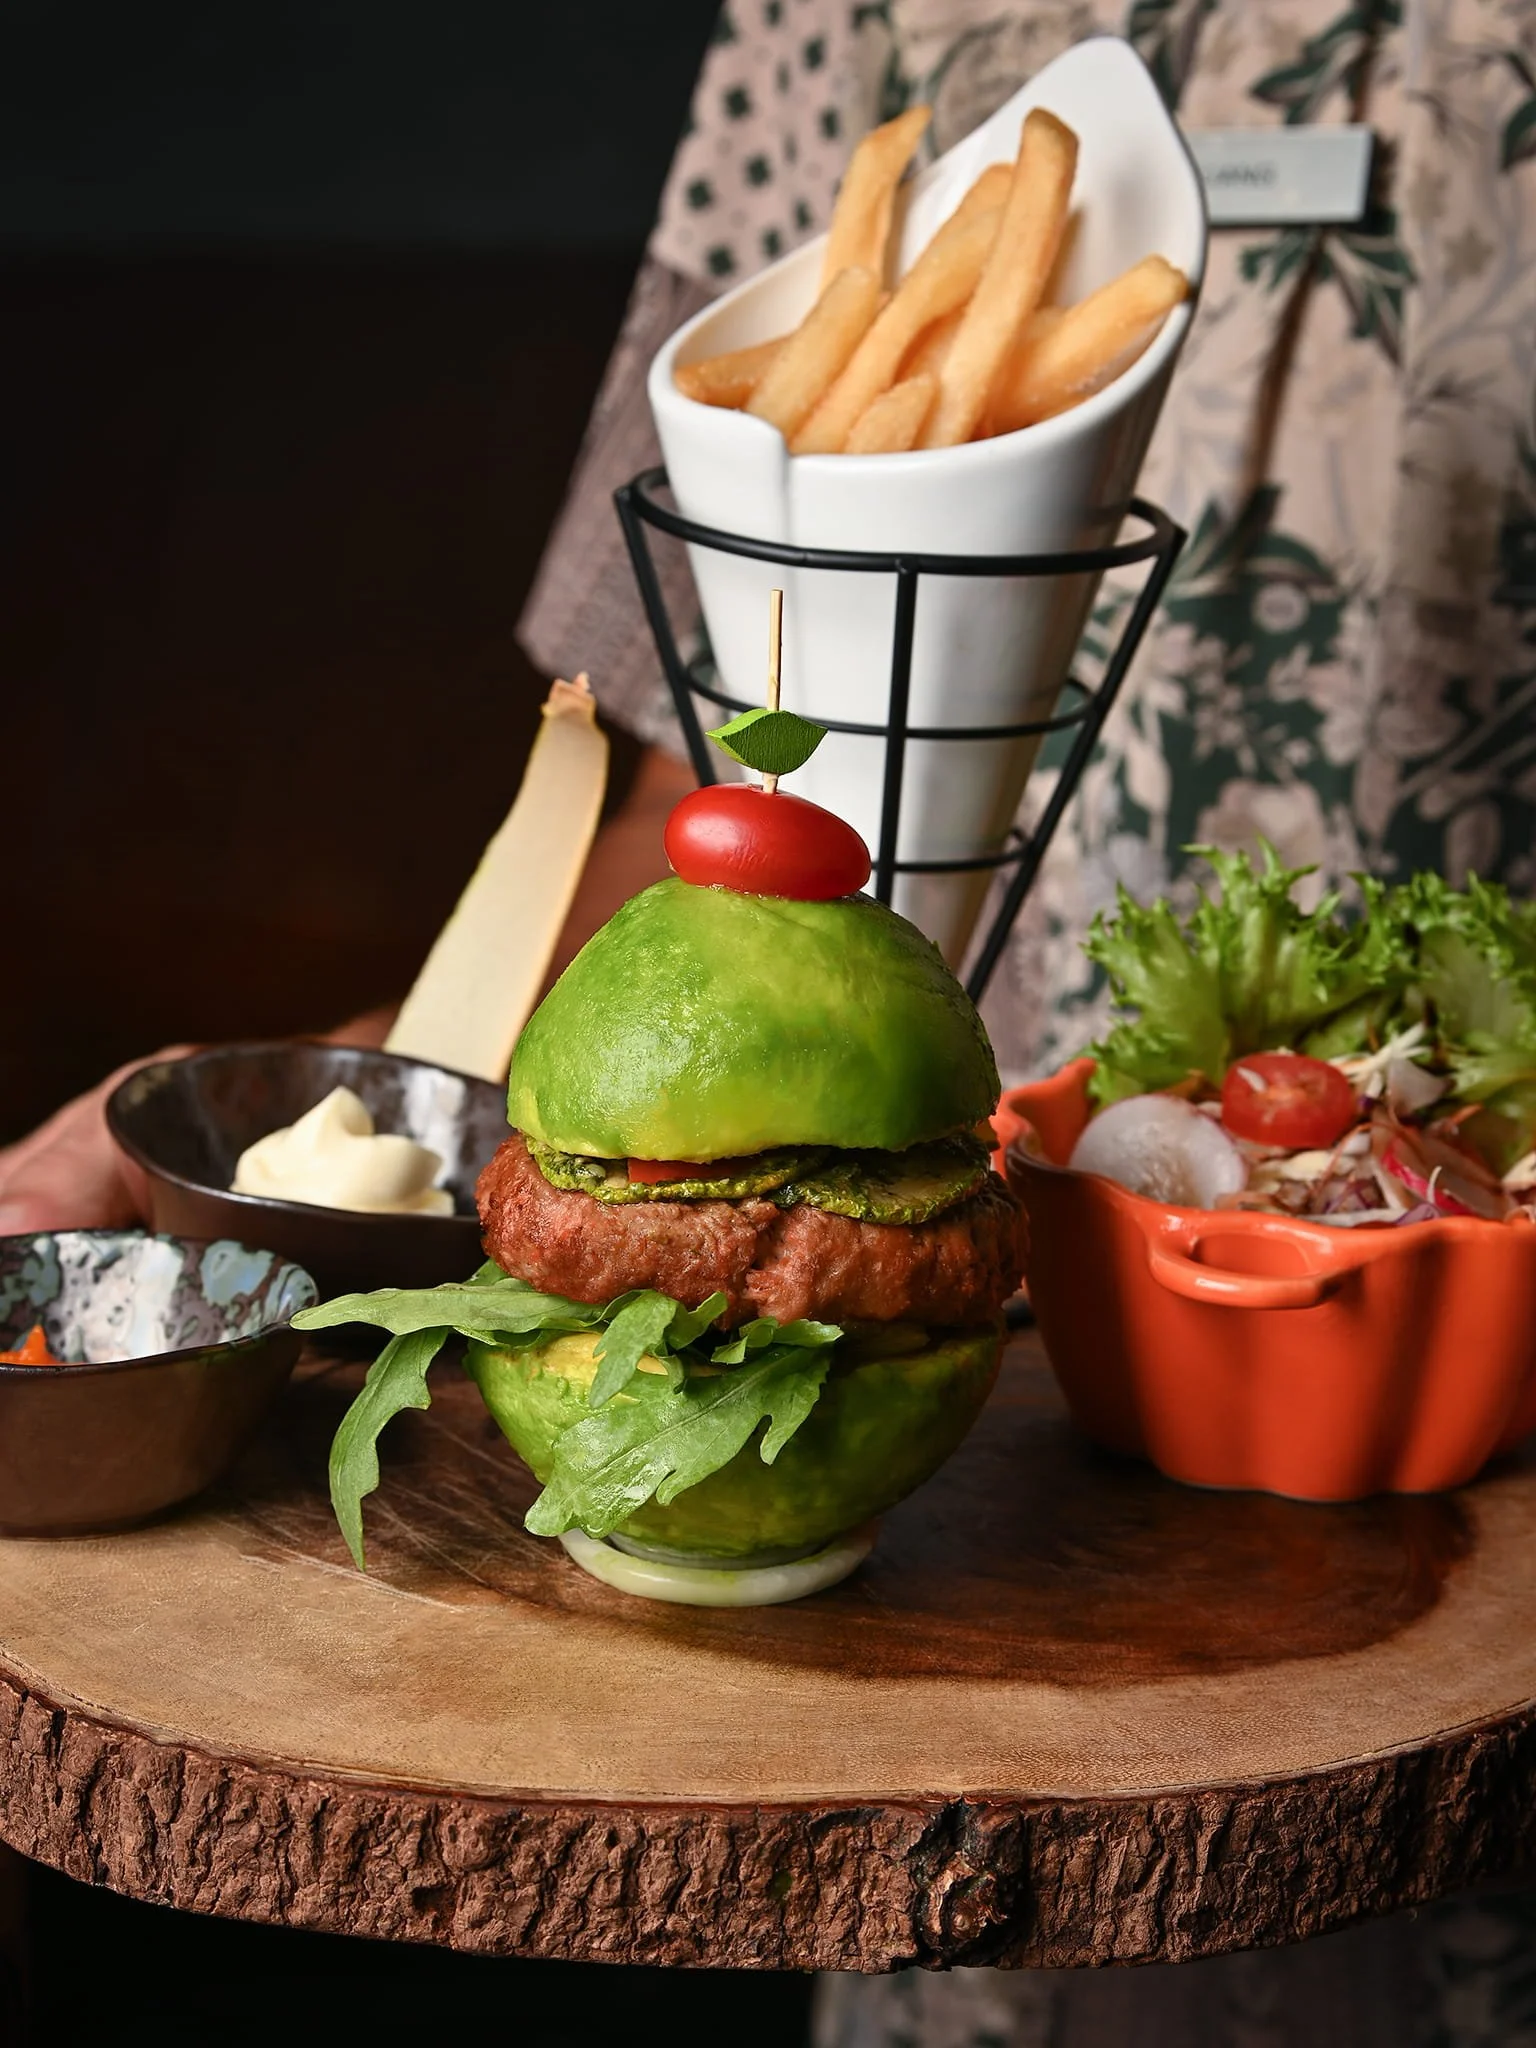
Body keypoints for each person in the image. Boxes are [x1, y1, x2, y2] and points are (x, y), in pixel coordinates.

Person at [3, 2, 1534, 2037]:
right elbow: (678, 799)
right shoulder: (838, 16)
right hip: (950, 1625)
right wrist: (309, 1106)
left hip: (1451, 1417)